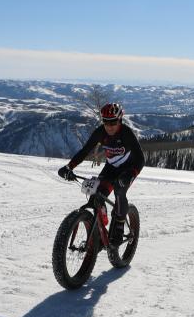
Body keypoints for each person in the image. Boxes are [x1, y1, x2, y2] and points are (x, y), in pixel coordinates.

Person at [58, 102, 145, 247]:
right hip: (111, 168)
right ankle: (100, 231)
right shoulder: (100, 132)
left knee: (119, 190)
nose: (109, 126)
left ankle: (118, 226)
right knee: (96, 195)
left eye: (113, 122)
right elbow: (85, 151)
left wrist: (131, 175)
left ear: (120, 120)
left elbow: (141, 159)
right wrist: (69, 167)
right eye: (106, 122)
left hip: (128, 169)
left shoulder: (126, 133)